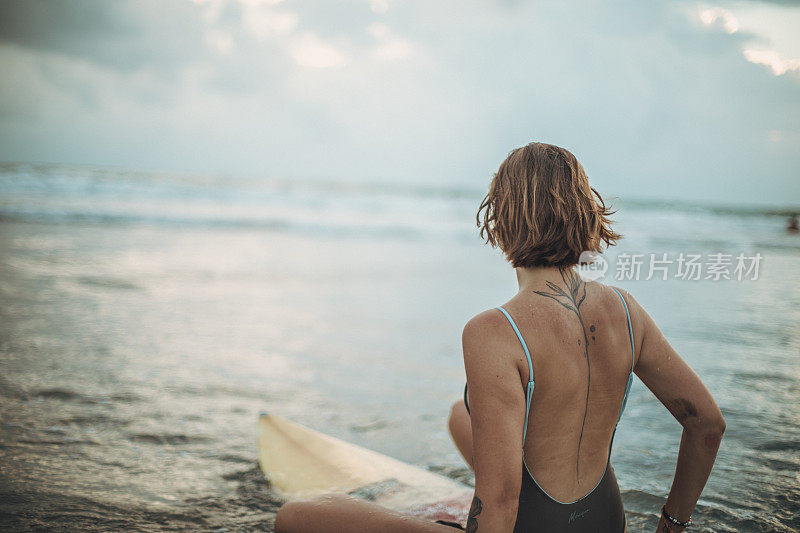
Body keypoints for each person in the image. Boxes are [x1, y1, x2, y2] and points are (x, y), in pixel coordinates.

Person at [275, 143, 726, 533]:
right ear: (585, 211)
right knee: (460, 414)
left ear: (501, 217)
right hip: (608, 520)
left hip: (530, 525)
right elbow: (707, 424)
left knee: (297, 516)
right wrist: (673, 524)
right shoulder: (626, 311)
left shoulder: (494, 331)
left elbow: (503, 500)